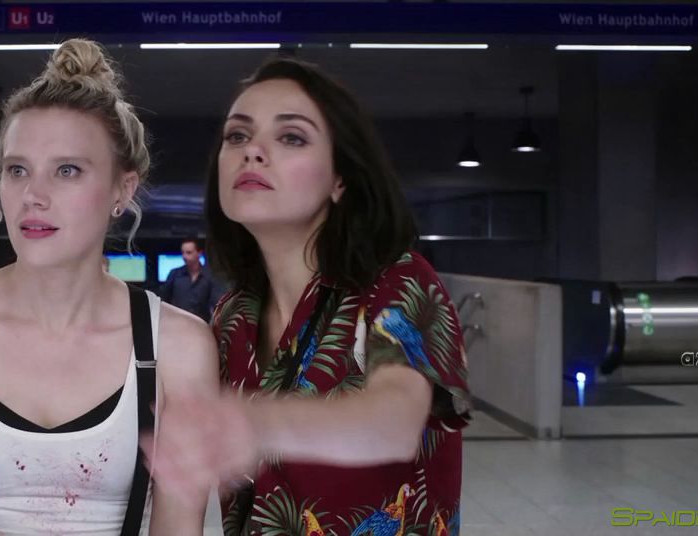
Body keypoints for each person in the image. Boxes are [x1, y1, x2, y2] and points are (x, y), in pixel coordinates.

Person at [0, 38, 218, 535]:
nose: (34, 195)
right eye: (17, 170)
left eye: (67, 170)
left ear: (122, 189)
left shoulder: (177, 346)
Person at [145, 57, 472, 535]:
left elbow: (394, 421)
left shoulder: (396, 281)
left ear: (340, 179)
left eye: (291, 137)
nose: (252, 151)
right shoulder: (231, 319)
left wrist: (253, 422)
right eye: (237, 135)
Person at [156, 237, 226, 322]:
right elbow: (163, 299)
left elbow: (216, 302)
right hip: (177, 322)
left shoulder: (209, 276)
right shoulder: (174, 274)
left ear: (199, 253)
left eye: (189, 252)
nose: (184, 256)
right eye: (183, 252)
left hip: (201, 324)